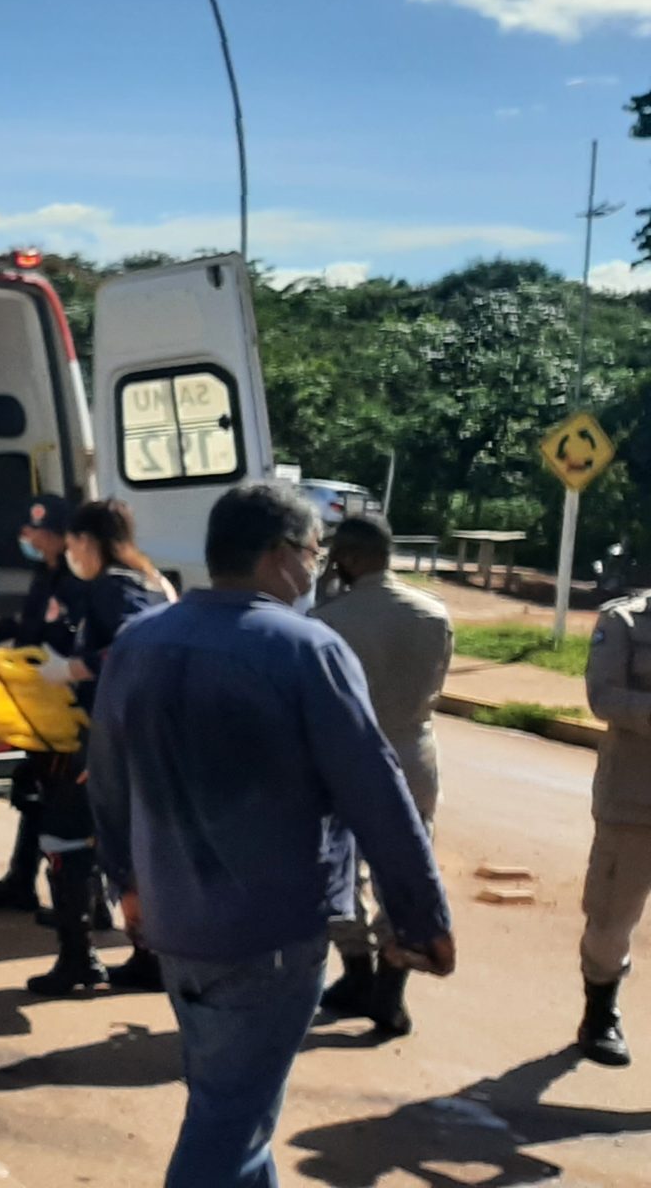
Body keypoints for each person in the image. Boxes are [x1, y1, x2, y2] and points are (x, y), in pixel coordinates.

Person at [90, 482, 452, 1188]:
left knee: (231, 1108)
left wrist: (125, 884)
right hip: (270, 936)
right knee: (228, 1125)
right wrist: (421, 916)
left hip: (173, 921)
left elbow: (106, 777)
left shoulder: (139, 641)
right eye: (315, 553)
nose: (317, 569)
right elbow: (374, 788)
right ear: (283, 555)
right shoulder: (306, 648)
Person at [309, 514, 453, 1036]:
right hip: (415, 751)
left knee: (342, 869)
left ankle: (357, 972)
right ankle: (391, 991)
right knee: (406, 866)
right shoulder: (432, 612)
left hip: (349, 754)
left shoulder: (331, 618)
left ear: (345, 558)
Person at [26, 498, 174, 996]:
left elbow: (134, 644)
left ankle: (77, 959)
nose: (72, 555)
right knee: (134, 846)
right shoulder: (156, 582)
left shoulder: (115, 586)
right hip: (146, 737)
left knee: (64, 837)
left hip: (110, 738)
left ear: (88, 543)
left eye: (73, 546)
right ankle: (149, 957)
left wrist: (74, 668)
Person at [0, 494, 88, 913]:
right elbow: (28, 622)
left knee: (65, 801)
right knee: (36, 790)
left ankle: (83, 903)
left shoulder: (79, 580)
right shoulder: (45, 574)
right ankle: (21, 881)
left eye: (33, 531)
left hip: (67, 702)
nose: (27, 538)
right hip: (38, 697)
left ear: (56, 535)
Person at [579, 588, 651, 1067]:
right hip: (634, 800)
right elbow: (603, 697)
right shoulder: (624, 620)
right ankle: (600, 1011)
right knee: (611, 919)